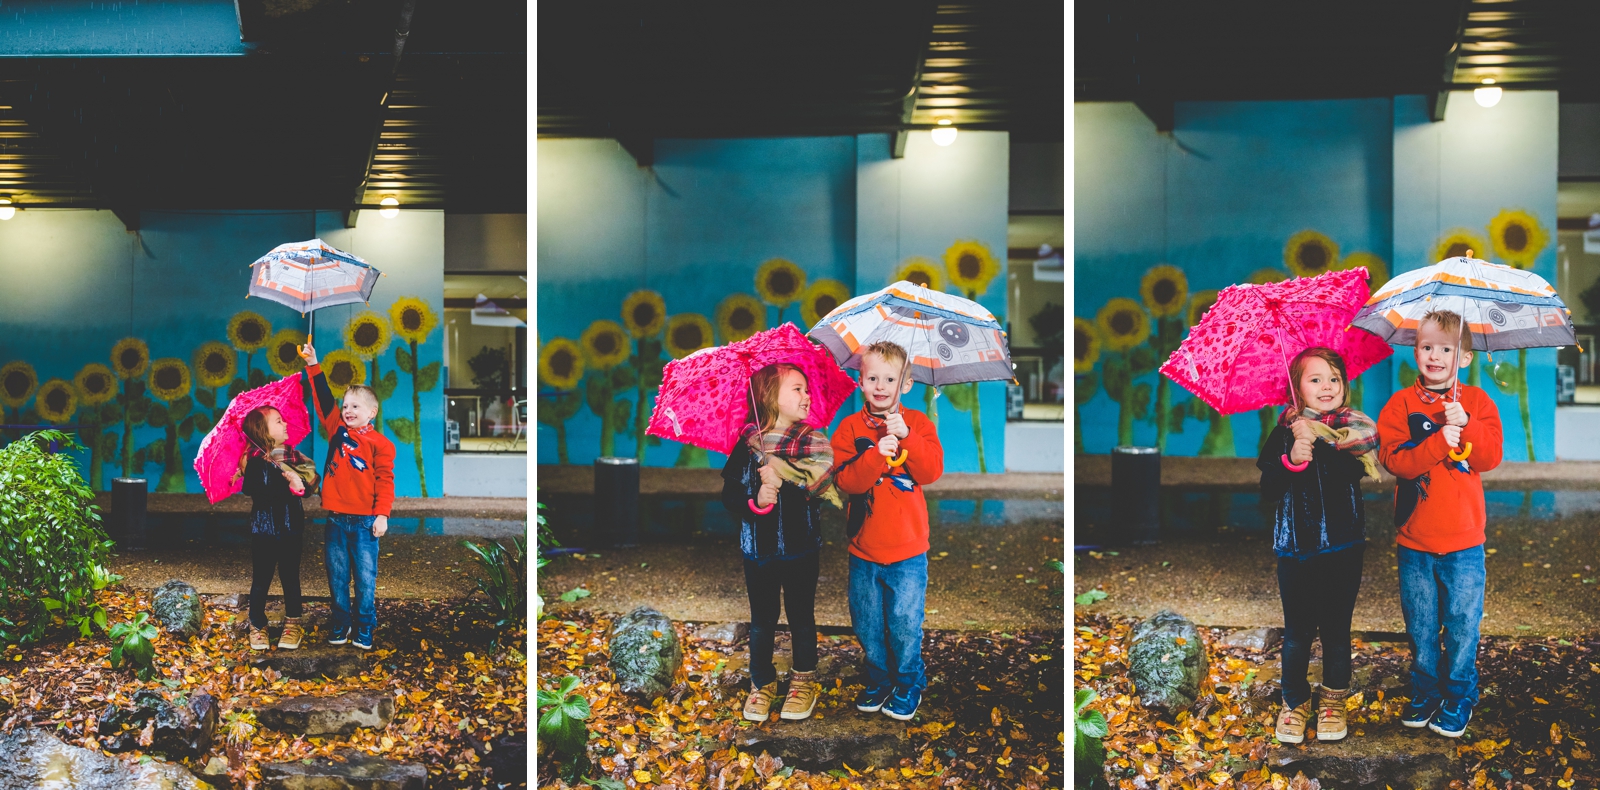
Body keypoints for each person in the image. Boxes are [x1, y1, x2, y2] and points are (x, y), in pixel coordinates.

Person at [1377, 309, 1502, 738]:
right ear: (1415, 351)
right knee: (1422, 624)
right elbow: (1395, 461)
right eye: (1427, 346)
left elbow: (1489, 458)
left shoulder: (1478, 403)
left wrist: (1465, 426)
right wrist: (1435, 443)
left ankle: (1461, 692)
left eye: (1446, 349)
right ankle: (1427, 689)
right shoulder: (1399, 405)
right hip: (1415, 541)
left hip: (1465, 542)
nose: (1435, 355)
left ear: (1463, 357)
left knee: (1464, 622)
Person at [1258, 347, 1379, 744]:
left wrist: (1321, 442)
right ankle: (1293, 701)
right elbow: (1269, 489)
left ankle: (1333, 699)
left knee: (1336, 629)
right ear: (1297, 389)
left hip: (1343, 548)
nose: (1327, 387)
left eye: (1334, 379)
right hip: (1295, 549)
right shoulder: (1283, 432)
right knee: (1297, 631)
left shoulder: (1351, 433)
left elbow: (1349, 473)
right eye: (1315, 379)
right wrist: (1294, 455)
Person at [721, 363, 842, 722]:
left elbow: (821, 491)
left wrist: (785, 474)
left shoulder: (811, 445)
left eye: (807, 389)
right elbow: (729, 497)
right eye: (797, 389)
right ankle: (762, 681)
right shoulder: (746, 447)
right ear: (769, 398)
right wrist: (758, 498)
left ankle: (803, 679)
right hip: (758, 552)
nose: (807, 396)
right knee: (762, 619)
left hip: (800, 547)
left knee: (801, 615)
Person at [830, 340, 943, 721]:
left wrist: (907, 435)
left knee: (905, 623)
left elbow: (930, 472)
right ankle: (879, 678)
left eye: (889, 379)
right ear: (860, 381)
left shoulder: (919, 424)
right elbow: (847, 483)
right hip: (864, 549)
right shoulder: (849, 429)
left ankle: (909, 681)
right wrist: (876, 454)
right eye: (872, 377)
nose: (880, 385)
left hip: (908, 551)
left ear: (905, 384)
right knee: (867, 622)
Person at [299, 344, 397, 651]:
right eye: (345, 406)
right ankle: (341, 623)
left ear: (372, 412)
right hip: (336, 521)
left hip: (366, 524)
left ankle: (365, 627)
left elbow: (385, 481)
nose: (348, 411)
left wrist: (382, 515)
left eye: (355, 406)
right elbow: (322, 398)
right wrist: (313, 363)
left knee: (366, 579)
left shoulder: (382, 444)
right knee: (337, 577)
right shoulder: (336, 430)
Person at [233, 406, 315, 652]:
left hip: (290, 527)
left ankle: (293, 621)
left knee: (290, 575)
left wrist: (295, 482)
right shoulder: (254, 461)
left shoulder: (292, 457)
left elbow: (310, 484)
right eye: (279, 421)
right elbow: (254, 490)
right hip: (264, 529)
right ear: (263, 433)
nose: (285, 424)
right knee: (261, 578)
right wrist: (253, 468)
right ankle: (257, 623)